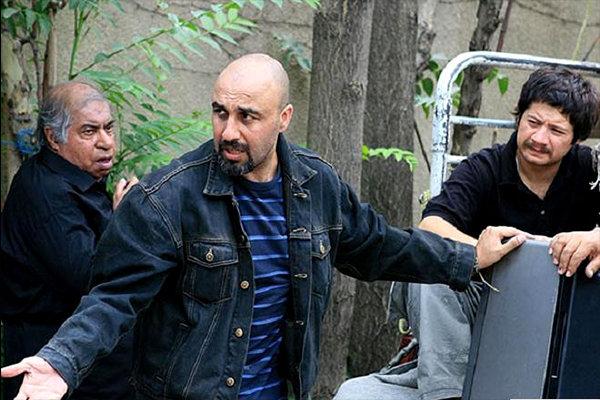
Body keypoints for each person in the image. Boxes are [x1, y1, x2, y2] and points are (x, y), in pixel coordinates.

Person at [1, 54, 523, 400]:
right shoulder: (167, 199)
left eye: (247, 116)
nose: (229, 130)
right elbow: (113, 298)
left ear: (284, 117)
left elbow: (379, 246)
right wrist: (59, 362)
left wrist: (468, 258)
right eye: (219, 113)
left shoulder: (317, 186)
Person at [334, 67, 600, 400]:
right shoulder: (485, 167)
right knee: (355, 394)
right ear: (519, 118)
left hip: (567, 340)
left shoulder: (591, 170)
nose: (539, 138)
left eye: (556, 130)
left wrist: (597, 237)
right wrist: (477, 251)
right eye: (533, 122)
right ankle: (447, 395)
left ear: (576, 139)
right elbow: (432, 226)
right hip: (475, 339)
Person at [0, 82, 138, 400]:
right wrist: (123, 222)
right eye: (89, 131)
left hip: (88, 364)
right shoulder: (44, 190)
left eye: (108, 128)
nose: (106, 142)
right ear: (54, 138)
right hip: (51, 363)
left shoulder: (78, 178)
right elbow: (88, 276)